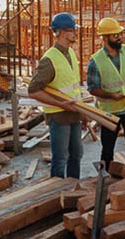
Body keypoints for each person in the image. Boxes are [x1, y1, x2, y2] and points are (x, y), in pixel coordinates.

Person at [87, 17, 125, 175]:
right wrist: (110, 95)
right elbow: (92, 89)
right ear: (105, 37)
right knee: (107, 148)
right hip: (110, 110)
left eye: (120, 34)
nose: (120, 37)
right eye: (115, 35)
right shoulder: (96, 60)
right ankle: (103, 179)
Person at [28, 12, 84, 179]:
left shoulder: (71, 53)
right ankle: (55, 195)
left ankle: (73, 190)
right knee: (60, 159)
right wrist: (61, 105)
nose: (75, 33)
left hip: (74, 112)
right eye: (73, 30)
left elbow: (74, 87)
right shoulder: (49, 59)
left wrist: (82, 112)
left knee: (76, 155)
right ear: (62, 32)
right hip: (59, 116)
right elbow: (33, 90)